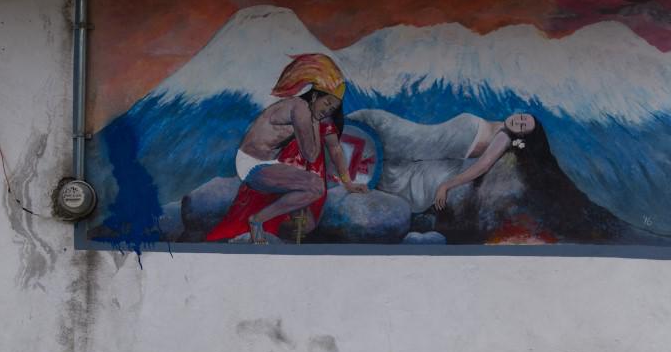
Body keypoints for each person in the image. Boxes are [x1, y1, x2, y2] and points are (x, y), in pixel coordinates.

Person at [206, 53, 368, 244]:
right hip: (253, 164)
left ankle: (258, 221)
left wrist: (347, 182)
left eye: (333, 108)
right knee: (315, 186)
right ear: (315, 95)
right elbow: (311, 153)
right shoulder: (300, 108)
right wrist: (315, 122)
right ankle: (257, 221)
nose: (328, 110)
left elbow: (335, 149)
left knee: (313, 190)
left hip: (266, 163)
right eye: (327, 103)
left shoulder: (309, 111)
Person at [345, 108, 538, 214]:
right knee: (394, 138)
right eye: (521, 117)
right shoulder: (499, 126)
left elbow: (482, 166)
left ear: (520, 134)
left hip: (428, 142)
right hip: (429, 137)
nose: (518, 122)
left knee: (393, 136)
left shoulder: (503, 137)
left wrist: (446, 185)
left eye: (522, 126)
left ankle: (350, 155)